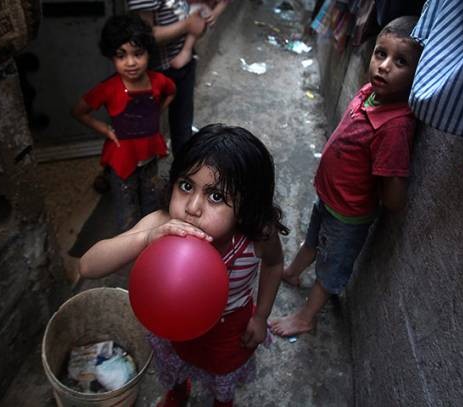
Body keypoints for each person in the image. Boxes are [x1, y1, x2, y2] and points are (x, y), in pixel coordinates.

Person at [80, 124, 288, 407]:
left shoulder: (257, 236)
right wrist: (146, 238)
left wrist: (261, 316)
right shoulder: (161, 223)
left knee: (221, 377)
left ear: (247, 206)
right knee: (175, 365)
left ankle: (221, 400)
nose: (192, 207)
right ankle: (178, 390)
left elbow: (274, 265)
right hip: (171, 329)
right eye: (186, 186)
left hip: (229, 331)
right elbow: (88, 266)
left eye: (216, 196)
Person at [270, 16, 422, 337]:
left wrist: (385, 184)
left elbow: (394, 197)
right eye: (381, 54)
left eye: (401, 61)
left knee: (332, 265)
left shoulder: (395, 127)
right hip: (329, 197)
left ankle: (307, 317)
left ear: (419, 76)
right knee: (313, 238)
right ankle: (293, 272)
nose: (383, 66)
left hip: (349, 215)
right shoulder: (370, 91)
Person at [71, 15, 176, 232]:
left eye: (138, 54)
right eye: (121, 56)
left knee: (151, 198)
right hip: (122, 157)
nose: (130, 62)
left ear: (148, 52)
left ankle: (151, 237)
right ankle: (129, 244)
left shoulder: (158, 81)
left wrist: (157, 111)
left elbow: (171, 91)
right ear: (112, 57)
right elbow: (79, 111)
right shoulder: (108, 88)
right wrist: (105, 129)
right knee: (126, 206)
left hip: (149, 152)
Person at [127, 0, 226, 156]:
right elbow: (145, 36)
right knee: (146, 126)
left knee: (183, 122)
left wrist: (202, 13)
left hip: (185, 64)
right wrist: (187, 25)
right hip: (160, 70)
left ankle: (182, 168)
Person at [170, 0, 231, 69]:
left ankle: (186, 50)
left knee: (199, 16)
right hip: (180, 6)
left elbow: (224, 2)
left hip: (198, 9)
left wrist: (214, 14)